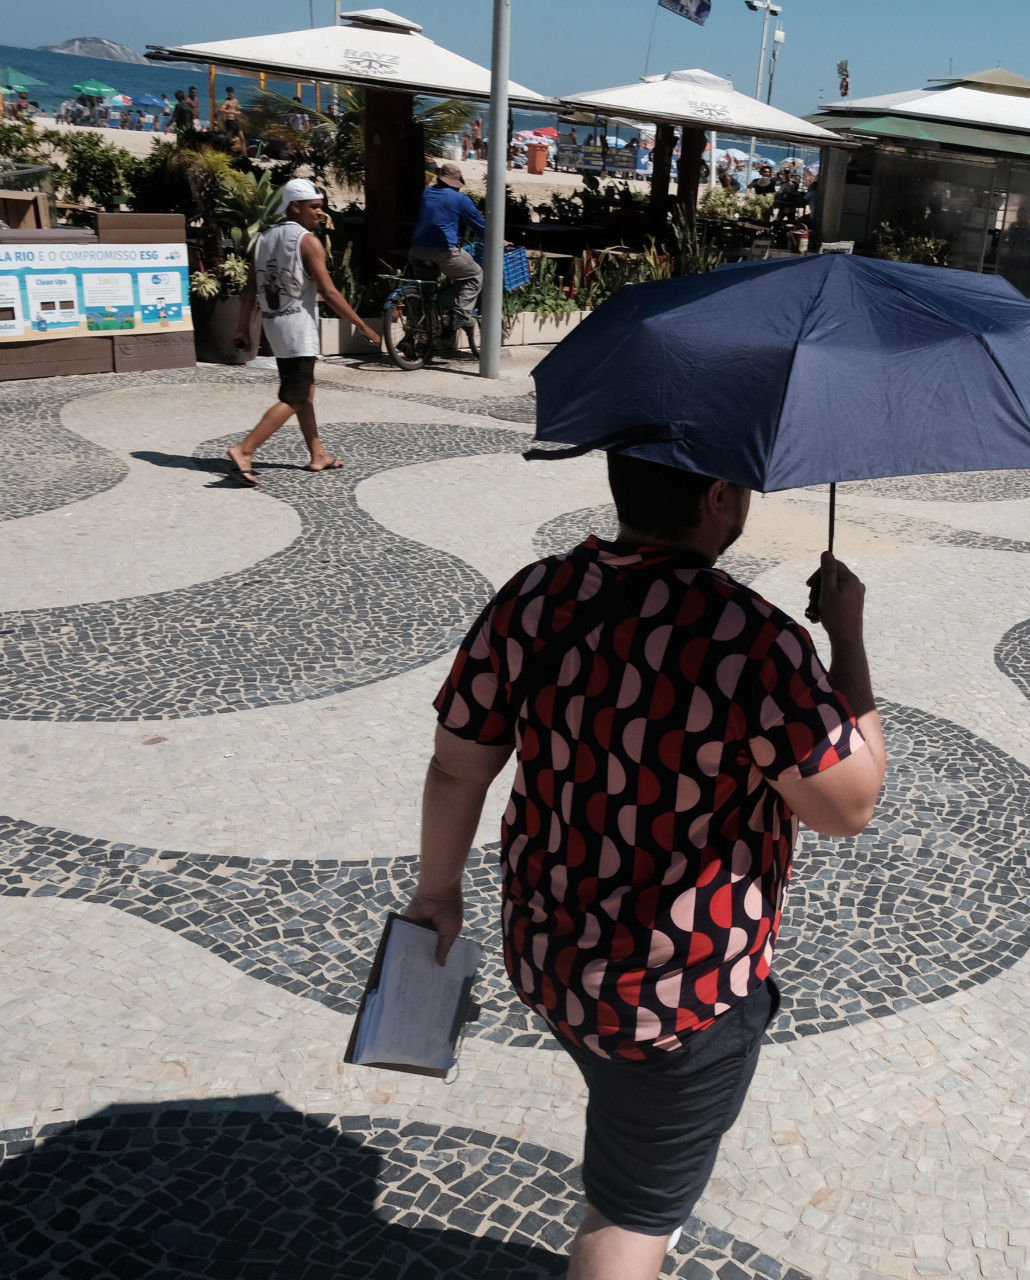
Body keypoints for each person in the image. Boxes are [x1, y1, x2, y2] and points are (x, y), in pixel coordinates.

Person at [407, 454, 885, 1280]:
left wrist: (437, 893)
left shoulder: (533, 595)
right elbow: (848, 806)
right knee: (632, 1214)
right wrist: (848, 637)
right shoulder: (752, 637)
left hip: (549, 957)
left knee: (622, 1113)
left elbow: (458, 765)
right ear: (717, 495)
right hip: (681, 997)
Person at [225, 180, 382, 484]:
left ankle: (317, 454)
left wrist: (243, 328)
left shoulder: (263, 239)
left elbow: (249, 291)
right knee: (295, 397)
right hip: (298, 330)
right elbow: (330, 292)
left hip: (275, 327)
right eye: (314, 206)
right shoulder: (307, 241)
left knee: (304, 393)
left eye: (321, 206)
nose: (320, 213)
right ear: (294, 206)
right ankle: (245, 449)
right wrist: (362, 325)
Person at [408, 162, 487, 337]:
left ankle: (412, 337)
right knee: (475, 275)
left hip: (417, 251)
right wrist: (498, 239)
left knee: (424, 294)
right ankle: (459, 315)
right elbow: (480, 226)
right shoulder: (460, 199)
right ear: (456, 184)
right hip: (443, 252)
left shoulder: (427, 193)